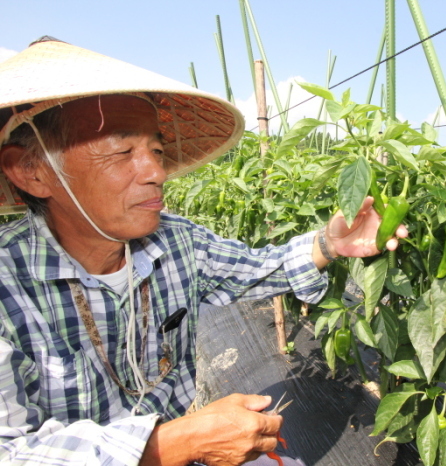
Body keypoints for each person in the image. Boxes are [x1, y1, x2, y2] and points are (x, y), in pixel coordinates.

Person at [0, 37, 407, 466]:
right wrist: (174, 444)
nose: (157, 172)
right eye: (122, 151)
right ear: (31, 171)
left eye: (156, 150)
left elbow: (257, 269)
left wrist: (330, 243)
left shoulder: (175, 241)